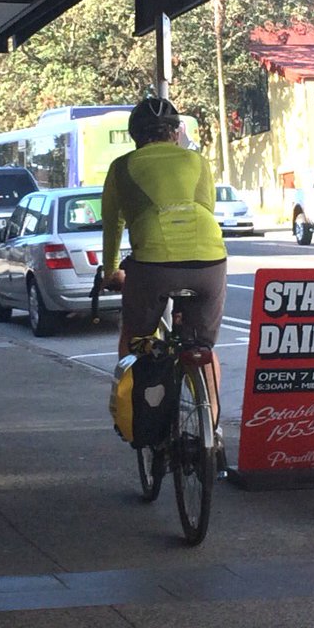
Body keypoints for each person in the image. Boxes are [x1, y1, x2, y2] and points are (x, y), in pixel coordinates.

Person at [100, 96, 228, 412]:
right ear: (175, 133)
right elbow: (205, 208)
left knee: (135, 338)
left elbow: (113, 227)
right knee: (202, 348)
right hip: (209, 258)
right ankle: (211, 424)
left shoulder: (122, 167)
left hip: (152, 264)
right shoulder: (198, 161)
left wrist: (111, 272)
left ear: (135, 137)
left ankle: (140, 412)